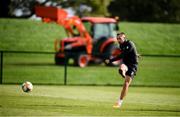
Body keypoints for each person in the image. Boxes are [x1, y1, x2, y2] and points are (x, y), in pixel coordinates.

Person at [105, 32, 138, 108]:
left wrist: (110, 60)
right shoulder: (121, 45)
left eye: (120, 38)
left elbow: (122, 55)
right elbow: (125, 55)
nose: (118, 40)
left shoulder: (130, 44)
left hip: (133, 65)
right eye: (117, 38)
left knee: (126, 84)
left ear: (124, 37)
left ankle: (119, 102)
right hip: (126, 64)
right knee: (121, 67)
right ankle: (123, 72)